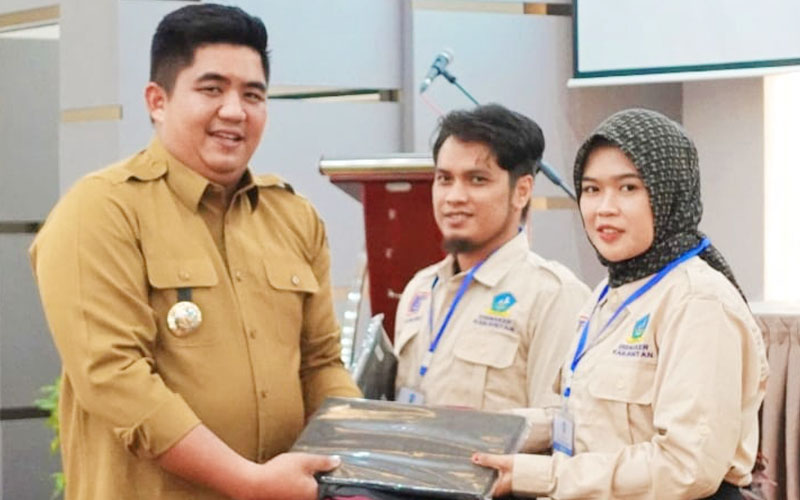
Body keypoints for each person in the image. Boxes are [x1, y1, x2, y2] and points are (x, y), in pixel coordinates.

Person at [30, 4, 360, 500]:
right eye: (212, 89)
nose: (235, 111)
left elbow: (321, 364)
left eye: (253, 94)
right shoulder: (100, 211)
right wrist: (248, 482)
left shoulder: (294, 217)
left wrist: (362, 459)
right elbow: (116, 379)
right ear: (157, 101)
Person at [473, 108, 769, 499]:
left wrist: (541, 476)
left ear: (668, 192)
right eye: (592, 189)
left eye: (628, 188)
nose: (604, 208)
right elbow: (584, 417)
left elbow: (685, 467)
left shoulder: (698, 302)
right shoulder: (610, 292)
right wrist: (484, 432)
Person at [394, 104, 589, 411]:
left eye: (477, 180)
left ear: (522, 191)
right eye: (444, 179)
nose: (454, 197)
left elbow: (557, 422)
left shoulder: (553, 295)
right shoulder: (420, 288)